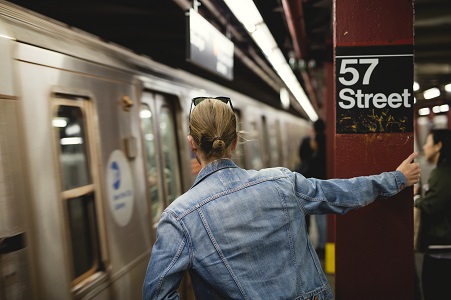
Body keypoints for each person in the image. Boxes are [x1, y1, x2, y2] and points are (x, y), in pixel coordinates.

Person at [143, 97, 420, 300]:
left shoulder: (178, 218)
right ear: (235, 142)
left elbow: (156, 294)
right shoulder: (282, 182)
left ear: (192, 143)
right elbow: (341, 193)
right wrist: (397, 178)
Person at [414, 129, 451, 300]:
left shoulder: (442, 173)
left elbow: (431, 205)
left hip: (442, 249)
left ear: (438, 146)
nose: (424, 147)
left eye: (428, 143)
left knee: (434, 292)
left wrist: (415, 197)